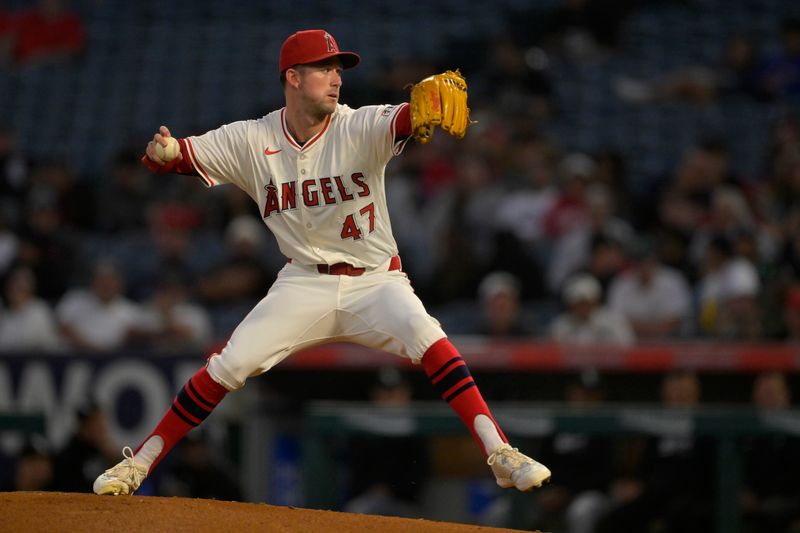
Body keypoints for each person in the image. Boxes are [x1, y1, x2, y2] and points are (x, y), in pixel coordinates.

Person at [93, 29, 550, 497]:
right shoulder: (253, 139)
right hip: (302, 283)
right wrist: (163, 152)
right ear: (293, 77)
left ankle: (499, 454)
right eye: (324, 69)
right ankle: (140, 464)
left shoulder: (359, 125)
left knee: (434, 341)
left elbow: (402, 121)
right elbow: (180, 155)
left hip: (376, 281)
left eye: (339, 70)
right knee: (226, 367)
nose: (336, 79)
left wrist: (419, 113)